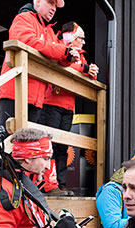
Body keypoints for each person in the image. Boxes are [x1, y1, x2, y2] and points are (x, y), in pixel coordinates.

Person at [0, 0, 80, 127]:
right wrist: (64, 52)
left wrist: (68, 57)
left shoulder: (49, 31)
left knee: (29, 139)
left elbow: (58, 55)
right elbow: (27, 41)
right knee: (11, 137)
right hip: (15, 92)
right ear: (38, 1)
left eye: (55, 6)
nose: (54, 9)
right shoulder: (24, 18)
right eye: (50, 3)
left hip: (37, 98)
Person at [39, 21, 99, 196]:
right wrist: (85, 68)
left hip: (68, 107)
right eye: (81, 38)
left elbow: (88, 75)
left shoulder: (81, 56)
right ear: (71, 37)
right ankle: (47, 185)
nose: (84, 42)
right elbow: (62, 63)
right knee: (48, 144)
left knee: (62, 148)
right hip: (50, 103)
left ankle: (61, 185)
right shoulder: (57, 46)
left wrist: (92, 71)